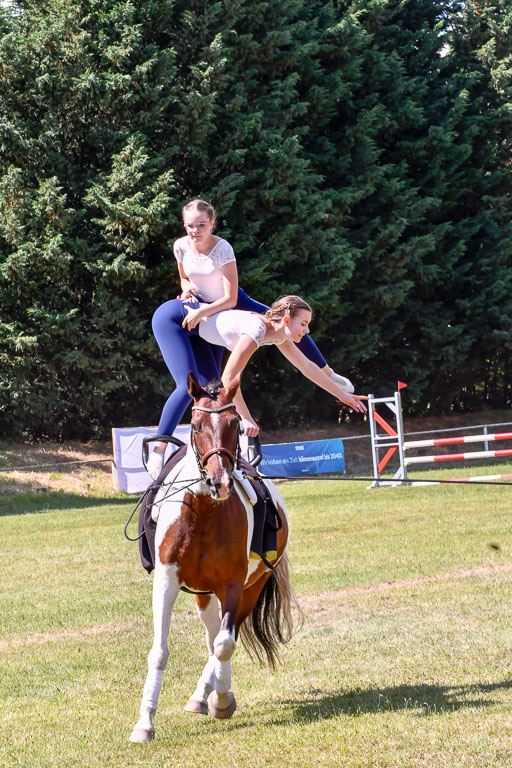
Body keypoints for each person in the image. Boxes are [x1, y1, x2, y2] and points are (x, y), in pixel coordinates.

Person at [147, 295, 366, 479]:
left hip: (199, 331)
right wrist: (246, 417)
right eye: (303, 324)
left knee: (209, 390)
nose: (307, 331)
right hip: (174, 318)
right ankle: (158, 450)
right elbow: (229, 378)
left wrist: (341, 395)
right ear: (287, 320)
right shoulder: (257, 330)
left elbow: (308, 367)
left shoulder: (279, 336)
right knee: (186, 390)